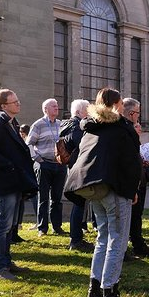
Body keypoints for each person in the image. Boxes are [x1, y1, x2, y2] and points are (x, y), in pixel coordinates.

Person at [64, 88, 142, 297]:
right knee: (117, 240)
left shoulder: (90, 126)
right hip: (115, 188)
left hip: (94, 188)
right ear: (117, 104)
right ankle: (110, 291)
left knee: (103, 239)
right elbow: (131, 161)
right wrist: (133, 189)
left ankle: (95, 288)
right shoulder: (122, 128)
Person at [0, 89, 38, 280]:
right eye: (14, 102)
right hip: (4, 182)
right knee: (2, 225)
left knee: (9, 225)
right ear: (3, 106)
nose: (18, 104)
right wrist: (8, 165)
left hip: (13, 181)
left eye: (18, 100)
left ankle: (6, 261)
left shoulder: (12, 123)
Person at [123, 97, 149, 258]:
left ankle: (137, 242)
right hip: (132, 180)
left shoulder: (128, 129)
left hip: (138, 176)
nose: (139, 116)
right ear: (131, 113)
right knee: (132, 214)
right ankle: (134, 244)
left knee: (137, 214)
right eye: (137, 113)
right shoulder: (125, 129)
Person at [26, 98, 66, 236]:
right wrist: (38, 159)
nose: (57, 108)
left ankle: (57, 227)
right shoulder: (38, 125)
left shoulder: (61, 124)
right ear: (45, 109)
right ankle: (42, 228)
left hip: (59, 165)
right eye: (53, 106)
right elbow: (29, 144)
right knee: (43, 197)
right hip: (44, 164)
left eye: (57, 106)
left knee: (56, 198)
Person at [59, 99, 94, 252]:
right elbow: (83, 145)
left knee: (79, 203)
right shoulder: (76, 126)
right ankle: (76, 239)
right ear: (80, 112)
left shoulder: (67, 125)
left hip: (73, 168)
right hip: (78, 169)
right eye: (87, 109)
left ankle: (77, 236)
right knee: (79, 203)